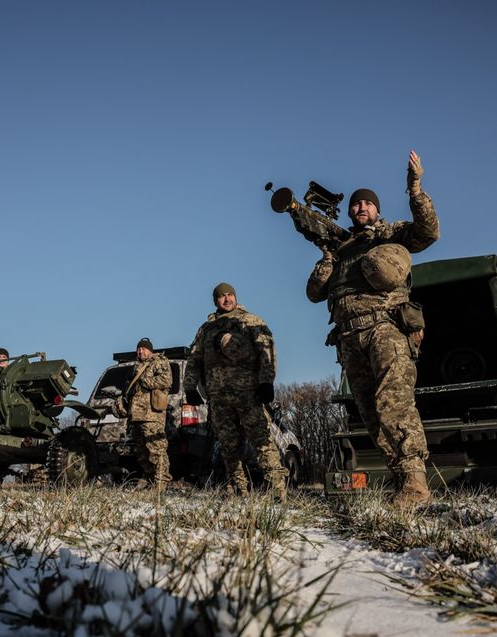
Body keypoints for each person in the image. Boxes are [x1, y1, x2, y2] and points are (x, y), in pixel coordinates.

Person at [306, 150, 440, 507]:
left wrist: (415, 188)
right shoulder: (341, 248)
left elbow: (429, 232)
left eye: (367, 203)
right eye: (356, 204)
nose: (361, 208)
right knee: (370, 412)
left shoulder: (389, 234)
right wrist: (328, 258)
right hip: (349, 337)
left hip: (385, 328)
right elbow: (313, 293)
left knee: (393, 402)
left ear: (376, 209)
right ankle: (403, 482)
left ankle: (416, 483)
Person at [184, 283, 287, 499]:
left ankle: (277, 489)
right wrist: (190, 387)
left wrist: (266, 383)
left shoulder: (251, 320)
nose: (227, 299)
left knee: (262, 440)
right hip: (219, 397)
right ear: (215, 301)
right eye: (222, 297)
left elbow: (267, 352)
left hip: (249, 394)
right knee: (229, 447)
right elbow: (194, 359)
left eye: (230, 295)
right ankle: (239, 490)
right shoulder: (206, 329)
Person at [121, 337, 172, 493]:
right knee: (141, 451)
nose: (140, 351)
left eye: (143, 348)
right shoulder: (137, 367)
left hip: (152, 414)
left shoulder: (159, 362)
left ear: (150, 350)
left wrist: (143, 380)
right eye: (138, 349)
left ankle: (161, 481)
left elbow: (166, 380)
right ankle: (149, 478)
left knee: (156, 448)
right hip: (136, 415)